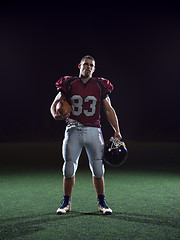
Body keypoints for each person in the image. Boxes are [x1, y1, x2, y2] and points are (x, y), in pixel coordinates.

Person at [50, 55, 122, 215]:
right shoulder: (68, 83)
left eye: (91, 65)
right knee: (68, 168)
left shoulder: (99, 84)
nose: (88, 67)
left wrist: (117, 130)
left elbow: (108, 109)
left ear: (94, 69)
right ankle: (66, 203)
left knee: (98, 168)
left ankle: (102, 203)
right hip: (73, 129)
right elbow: (55, 103)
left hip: (94, 130)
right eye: (86, 64)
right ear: (79, 66)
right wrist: (55, 114)